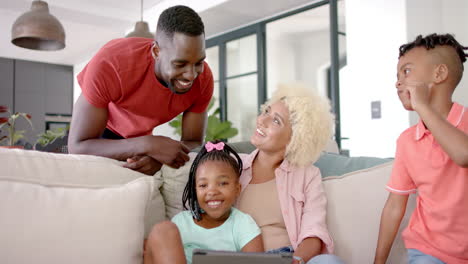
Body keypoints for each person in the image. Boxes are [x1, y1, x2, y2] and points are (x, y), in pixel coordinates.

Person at [68, 5, 214, 175]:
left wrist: (158, 158)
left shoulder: (203, 80)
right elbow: (78, 146)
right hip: (100, 135)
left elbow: (193, 141)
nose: (191, 75)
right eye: (180, 64)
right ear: (156, 52)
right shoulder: (111, 63)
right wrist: (148, 145)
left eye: (198, 63)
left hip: (142, 140)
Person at [374, 33, 468, 264]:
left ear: (439, 74)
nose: (398, 82)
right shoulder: (407, 141)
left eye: (406, 71)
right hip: (428, 252)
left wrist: (423, 106)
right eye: (396, 75)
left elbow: (464, 154)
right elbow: (394, 207)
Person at [236, 84, 345, 264]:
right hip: (241, 260)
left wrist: (296, 261)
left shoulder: (308, 175)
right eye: (266, 112)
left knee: (329, 262)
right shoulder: (233, 166)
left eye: (276, 120)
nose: (262, 121)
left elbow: (313, 232)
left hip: (287, 258)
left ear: (296, 138)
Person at [144, 141, 263, 264]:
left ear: (237, 189)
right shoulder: (181, 222)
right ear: (195, 191)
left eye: (222, 183)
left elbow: (256, 260)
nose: (212, 191)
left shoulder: (242, 224)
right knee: (163, 229)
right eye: (203, 185)